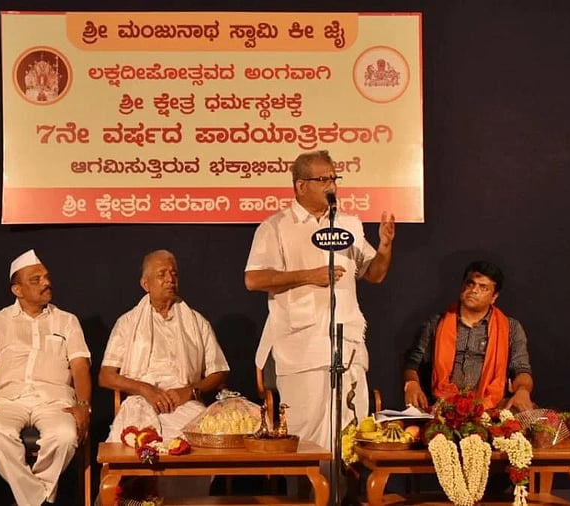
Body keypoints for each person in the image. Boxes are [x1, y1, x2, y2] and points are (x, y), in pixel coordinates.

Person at [244, 149, 395, 451]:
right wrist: (308, 276)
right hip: (302, 351)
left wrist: (386, 246)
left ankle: (344, 498)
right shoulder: (275, 227)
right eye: (323, 179)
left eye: (334, 178)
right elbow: (254, 279)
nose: (332, 186)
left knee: (351, 434)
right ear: (300, 185)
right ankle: (308, 498)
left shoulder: (349, 224)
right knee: (305, 438)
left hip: (347, 345)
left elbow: (374, 274)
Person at [0, 249, 91, 506]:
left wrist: (83, 405)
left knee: (66, 436)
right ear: (17, 290)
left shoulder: (67, 321)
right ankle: (40, 501)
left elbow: (80, 368)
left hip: (55, 401)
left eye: (46, 277)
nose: (46, 283)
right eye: (35, 279)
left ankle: (28, 501)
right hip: (8, 399)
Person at [99, 249, 230, 442]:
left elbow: (219, 371)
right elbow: (106, 376)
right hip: (140, 401)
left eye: (174, 274)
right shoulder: (127, 323)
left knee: (202, 442)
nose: (170, 279)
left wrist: (191, 391)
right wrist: (145, 389)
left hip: (184, 403)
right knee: (131, 444)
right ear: (146, 284)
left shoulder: (197, 322)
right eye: (162, 274)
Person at [403, 261, 534, 412]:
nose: (474, 290)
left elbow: (521, 369)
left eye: (483, 287)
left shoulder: (511, 328)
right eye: (470, 283)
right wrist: (411, 384)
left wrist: (523, 391)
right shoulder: (436, 323)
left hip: (491, 409)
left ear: (494, 297)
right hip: (442, 408)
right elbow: (413, 363)